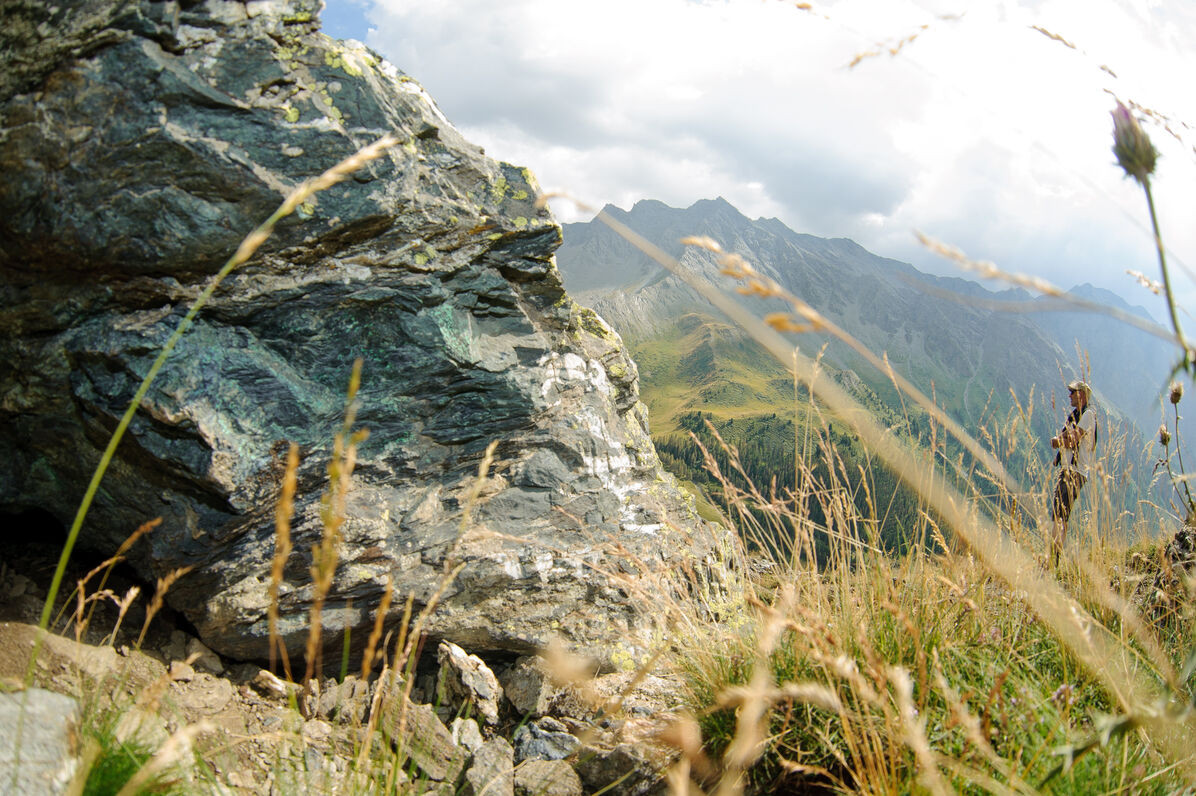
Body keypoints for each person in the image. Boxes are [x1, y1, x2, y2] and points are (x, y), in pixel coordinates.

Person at [1049, 380, 1097, 565]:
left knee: (1060, 513)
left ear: (1082, 395)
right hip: (1069, 469)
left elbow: (1072, 440)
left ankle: (1054, 558)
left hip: (1075, 471)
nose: (1069, 395)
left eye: (1073, 392)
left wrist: (1057, 441)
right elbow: (1068, 437)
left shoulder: (1087, 415)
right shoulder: (1076, 416)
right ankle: (1054, 556)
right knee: (1060, 512)